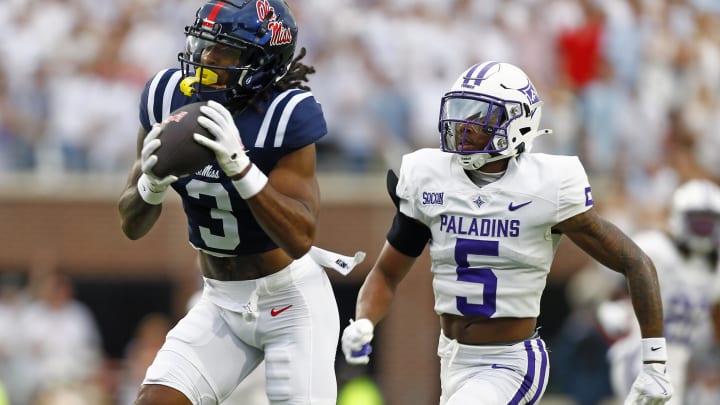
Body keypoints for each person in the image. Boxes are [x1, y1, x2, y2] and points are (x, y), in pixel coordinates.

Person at [340, 61, 673, 405]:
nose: (464, 125)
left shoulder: (547, 187)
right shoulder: (428, 177)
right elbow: (386, 272)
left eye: (480, 116)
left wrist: (654, 363)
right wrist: (363, 320)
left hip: (511, 361)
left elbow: (635, 261)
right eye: (460, 110)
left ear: (519, 123)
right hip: (452, 358)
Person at [118, 1, 363, 404]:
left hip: (290, 304)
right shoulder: (166, 97)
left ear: (263, 62)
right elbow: (131, 225)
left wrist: (241, 169)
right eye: (204, 44)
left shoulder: (286, 115)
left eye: (225, 51)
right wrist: (151, 184)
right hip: (219, 299)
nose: (206, 59)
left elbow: (300, 237)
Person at [596, 179, 720, 404]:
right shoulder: (656, 249)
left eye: (709, 223)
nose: (704, 229)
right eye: (698, 222)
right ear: (680, 218)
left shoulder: (713, 268)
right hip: (641, 355)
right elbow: (616, 290)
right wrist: (613, 308)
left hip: (682, 363)